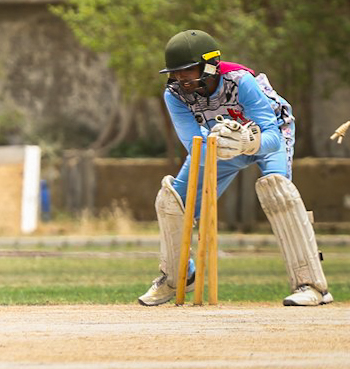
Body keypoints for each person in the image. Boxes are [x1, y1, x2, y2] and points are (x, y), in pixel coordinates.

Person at [138, 29, 332, 307]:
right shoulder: (174, 95)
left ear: (209, 65)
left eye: (187, 70)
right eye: (175, 73)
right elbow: (194, 146)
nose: (180, 78)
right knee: (173, 201)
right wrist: (223, 146)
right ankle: (177, 276)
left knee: (278, 192)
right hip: (220, 143)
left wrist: (245, 142)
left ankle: (312, 285)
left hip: (266, 137)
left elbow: (272, 135)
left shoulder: (241, 82)